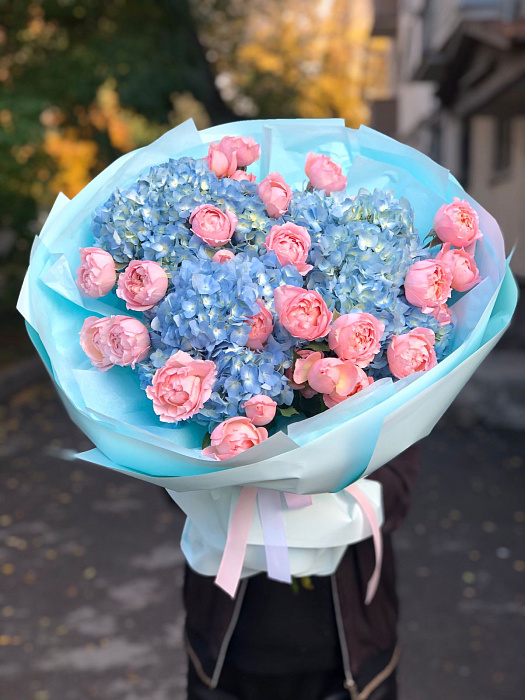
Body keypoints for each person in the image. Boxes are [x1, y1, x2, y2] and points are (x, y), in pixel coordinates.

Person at [184, 446, 419, 700]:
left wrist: (321, 465)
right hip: (229, 647)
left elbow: (394, 497)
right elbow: (173, 481)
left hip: (348, 653)